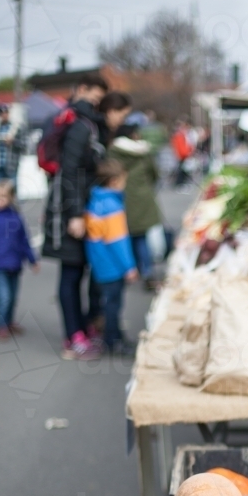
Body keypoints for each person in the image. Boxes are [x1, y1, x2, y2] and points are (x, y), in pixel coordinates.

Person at [42, 71, 109, 361]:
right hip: (69, 211)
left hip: (76, 208)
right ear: (82, 89)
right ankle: (73, 338)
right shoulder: (79, 124)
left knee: (78, 271)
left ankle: (80, 329)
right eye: (94, 92)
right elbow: (69, 171)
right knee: (71, 273)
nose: (97, 99)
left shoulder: (85, 122)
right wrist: (75, 214)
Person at [84, 158, 138, 354]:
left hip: (100, 263)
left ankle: (111, 337)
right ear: (114, 181)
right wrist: (129, 267)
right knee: (114, 305)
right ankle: (113, 341)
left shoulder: (95, 201)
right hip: (113, 265)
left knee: (107, 303)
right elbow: (118, 242)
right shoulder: (112, 206)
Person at [0, 180, 38, 340]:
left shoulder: (16, 217)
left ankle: (9, 321)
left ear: (11, 198)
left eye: (2, 197)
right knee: (4, 295)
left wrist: (32, 259)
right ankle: (1, 325)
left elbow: (24, 239)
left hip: (14, 262)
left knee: (13, 296)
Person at [110, 124, 162, 288]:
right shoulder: (143, 152)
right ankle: (146, 271)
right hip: (142, 198)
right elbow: (155, 174)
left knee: (123, 236)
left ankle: (129, 270)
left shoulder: (112, 151)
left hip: (120, 198)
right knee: (141, 237)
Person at [0, 105, 25, 199]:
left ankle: (14, 212)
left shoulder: (16, 127)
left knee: (12, 192)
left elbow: (24, 145)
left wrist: (13, 141)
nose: (4, 115)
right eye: (2, 113)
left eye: (6, 113)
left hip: (11, 165)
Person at [171, 119, 194, 187]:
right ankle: (179, 183)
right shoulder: (179, 135)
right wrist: (186, 153)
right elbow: (181, 147)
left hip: (183, 155)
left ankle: (181, 182)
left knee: (183, 170)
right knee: (181, 170)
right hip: (182, 155)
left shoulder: (182, 134)